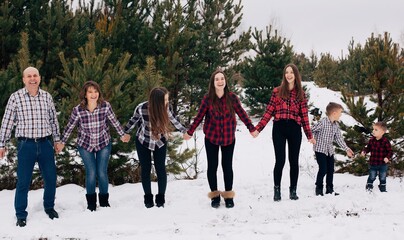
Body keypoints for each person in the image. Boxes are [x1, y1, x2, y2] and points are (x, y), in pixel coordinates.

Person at [184, 69, 256, 208]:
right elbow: (199, 116)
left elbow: (242, 114)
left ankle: (228, 196)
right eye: (217, 79)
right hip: (211, 137)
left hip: (229, 138)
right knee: (213, 166)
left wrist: (251, 128)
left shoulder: (232, 98)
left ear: (225, 81)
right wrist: (190, 131)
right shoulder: (207, 99)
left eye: (222, 78)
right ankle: (215, 196)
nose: (220, 81)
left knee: (227, 166)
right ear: (213, 82)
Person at [0, 67, 61, 227]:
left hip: (45, 144)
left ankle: (49, 207)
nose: (32, 78)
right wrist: (2, 143)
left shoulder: (47, 97)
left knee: (50, 178)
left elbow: (53, 120)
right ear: (24, 79)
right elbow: (7, 122)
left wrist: (57, 140)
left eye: (35, 75)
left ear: (39, 78)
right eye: (29, 76)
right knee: (23, 181)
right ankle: (20, 214)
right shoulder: (16, 97)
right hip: (26, 145)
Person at [57, 81, 129, 211]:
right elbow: (69, 127)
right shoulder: (78, 110)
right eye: (90, 92)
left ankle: (104, 202)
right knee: (91, 172)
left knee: (101, 172)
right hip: (85, 145)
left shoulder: (105, 106)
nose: (93, 94)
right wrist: (62, 142)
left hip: (103, 143)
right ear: (85, 94)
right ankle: (91, 203)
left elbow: (114, 122)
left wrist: (122, 134)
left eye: (95, 91)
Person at [252, 63, 315, 201]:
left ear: (296, 75)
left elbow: (304, 116)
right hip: (279, 128)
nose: (289, 74)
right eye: (286, 72)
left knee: (294, 161)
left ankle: (293, 190)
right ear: (284, 75)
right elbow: (269, 112)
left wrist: (309, 135)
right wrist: (258, 129)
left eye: (291, 72)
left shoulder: (301, 94)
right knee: (280, 160)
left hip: (294, 129)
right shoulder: (277, 92)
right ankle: (277, 190)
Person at [123, 87, 187, 208]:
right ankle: (148, 198)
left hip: (160, 141)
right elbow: (133, 121)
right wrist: (124, 133)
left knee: (160, 168)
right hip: (143, 140)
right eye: (165, 100)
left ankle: (161, 198)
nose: (167, 102)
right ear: (156, 101)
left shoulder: (167, 107)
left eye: (167, 99)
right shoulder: (142, 108)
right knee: (146, 169)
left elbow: (174, 120)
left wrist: (185, 131)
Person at [311, 102, 354, 196]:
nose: (340, 115)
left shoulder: (336, 125)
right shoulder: (323, 122)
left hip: (329, 151)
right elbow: (311, 129)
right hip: (320, 150)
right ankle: (319, 187)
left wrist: (347, 149)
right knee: (323, 169)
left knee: (330, 170)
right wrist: (311, 137)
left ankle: (329, 188)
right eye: (340, 113)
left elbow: (339, 138)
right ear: (334, 113)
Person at [361, 122, 393, 192]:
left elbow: (390, 151)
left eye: (376, 130)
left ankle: (382, 187)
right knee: (372, 176)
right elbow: (368, 148)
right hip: (373, 162)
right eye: (373, 129)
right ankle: (369, 186)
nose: (373, 131)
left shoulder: (385, 141)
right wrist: (364, 151)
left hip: (383, 164)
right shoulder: (372, 140)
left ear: (382, 132)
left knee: (382, 176)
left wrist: (387, 157)